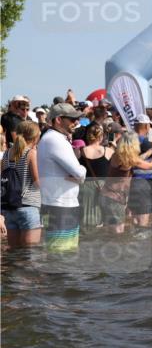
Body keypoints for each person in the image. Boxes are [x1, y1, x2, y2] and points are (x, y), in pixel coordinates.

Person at [37, 103, 87, 251]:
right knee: (60, 254)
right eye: (72, 119)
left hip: (60, 203)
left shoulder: (53, 138)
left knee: (63, 252)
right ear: (58, 119)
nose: (76, 122)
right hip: (60, 205)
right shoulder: (55, 140)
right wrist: (82, 170)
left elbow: (77, 174)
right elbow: (79, 173)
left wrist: (78, 174)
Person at [101, 130, 152, 233]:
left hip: (107, 196)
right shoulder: (129, 159)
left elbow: (138, 159)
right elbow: (150, 165)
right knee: (118, 231)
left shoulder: (117, 155)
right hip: (114, 198)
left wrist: (151, 150)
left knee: (110, 229)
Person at [1, 120, 42, 246]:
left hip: (9, 209)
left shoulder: (7, 153)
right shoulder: (31, 153)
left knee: (14, 252)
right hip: (28, 207)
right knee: (30, 252)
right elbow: (36, 182)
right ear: (35, 137)